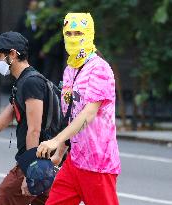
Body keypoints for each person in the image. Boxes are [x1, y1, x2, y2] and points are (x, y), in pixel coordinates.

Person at [36, 13, 121, 205]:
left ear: (89, 34)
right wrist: (60, 152)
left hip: (98, 164)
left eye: (78, 33)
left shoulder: (100, 69)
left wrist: (55, 140)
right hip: (74, 161)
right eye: (69, 33)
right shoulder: (70, 70)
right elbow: (70, 115)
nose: (73, 38)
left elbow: (88, 114)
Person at [0, 31, 52, 205]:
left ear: (12, 54)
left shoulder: (31, 82)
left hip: (36, 163)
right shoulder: (20, 83)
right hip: (42, 163)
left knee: (4, 198)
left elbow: (34, 130)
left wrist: (30, 173)